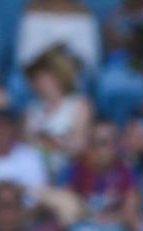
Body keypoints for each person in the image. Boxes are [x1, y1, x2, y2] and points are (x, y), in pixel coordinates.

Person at [60, 119, 143, 231]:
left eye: (103, 143)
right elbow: (67, 207)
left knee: (138, 223)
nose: (97, 149)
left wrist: (109, 219)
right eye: (93, 143)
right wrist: (93, 218)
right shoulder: (77, 169)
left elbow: (130, 210)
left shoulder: (125, 170)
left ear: (115, 146)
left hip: (116, 225)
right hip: (84, 226)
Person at [23, 45, 93, 178]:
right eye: (35, 78)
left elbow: (80, 145)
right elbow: (27, 145)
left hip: (68, 170)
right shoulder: (31, 110)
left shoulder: (79, 105)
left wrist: (55, 143)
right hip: (37, 170)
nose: (39, 82)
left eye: (44, 77)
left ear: (59, 77)